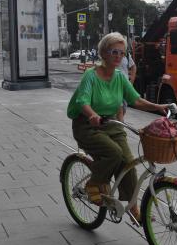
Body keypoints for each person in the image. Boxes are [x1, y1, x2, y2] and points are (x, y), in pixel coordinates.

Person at [67, 32, 169, 223]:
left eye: (122, 53)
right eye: (114, 51)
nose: (118, 56)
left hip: (112, 124)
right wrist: (92, 115)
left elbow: (135, 100)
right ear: (104, 53)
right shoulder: (91, 76)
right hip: (88, 125)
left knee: (129, 164)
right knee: (113, 153)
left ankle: (133, 209)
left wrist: (158, 107)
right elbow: (82, 100)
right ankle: (94, 183)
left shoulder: (120, 77)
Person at [117, 50, 137, 121]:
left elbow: (133, 67)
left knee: (124, 108)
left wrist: (131, 82)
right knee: (119, 108)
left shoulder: (127, 55)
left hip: (125, 86)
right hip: (114, 86)